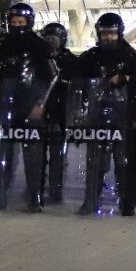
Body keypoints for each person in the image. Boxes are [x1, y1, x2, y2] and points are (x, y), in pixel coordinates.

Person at [0, 2, 57, 213]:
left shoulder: (40, 47)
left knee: (34, 156)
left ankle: (34, 197)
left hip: (30, 107)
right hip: (3, 107)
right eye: (14, 22)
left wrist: (41, 104)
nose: (17, 26)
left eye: (21, 22)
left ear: (28, 22)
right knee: (0, 153)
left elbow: (52, 76)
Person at [72, 12, 136, 216]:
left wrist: (124, 78)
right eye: (104, 33)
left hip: (124, 116)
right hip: (97, 117)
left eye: (112, 33)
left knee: (123, 161)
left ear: (119, 33)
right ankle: (90, 201)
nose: (108, 37)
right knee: (95, 162)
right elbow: (76, 79)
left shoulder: (132, 57)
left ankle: (126, 202)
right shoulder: (90, 57)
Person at [41, 21, 77, 203]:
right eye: (48, 39)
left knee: (58, 152)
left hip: (61, 110)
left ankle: (56, 188)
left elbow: (77, 81)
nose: (51, 42)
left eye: (54, 39)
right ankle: (37, 186)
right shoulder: (38, 57)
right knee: (37, 152)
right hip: (40, 109)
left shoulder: (69, 60)